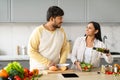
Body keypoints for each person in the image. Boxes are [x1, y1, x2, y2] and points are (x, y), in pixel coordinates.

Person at [28, 6, 69, 70]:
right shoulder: (38, 31)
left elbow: (65, 48)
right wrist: (48, 62)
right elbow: (31, 51)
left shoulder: (61, 31)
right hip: (38, 70)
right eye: (60, 18)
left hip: (54, 70)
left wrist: (61, 64)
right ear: (52, 19)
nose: (62, 21)